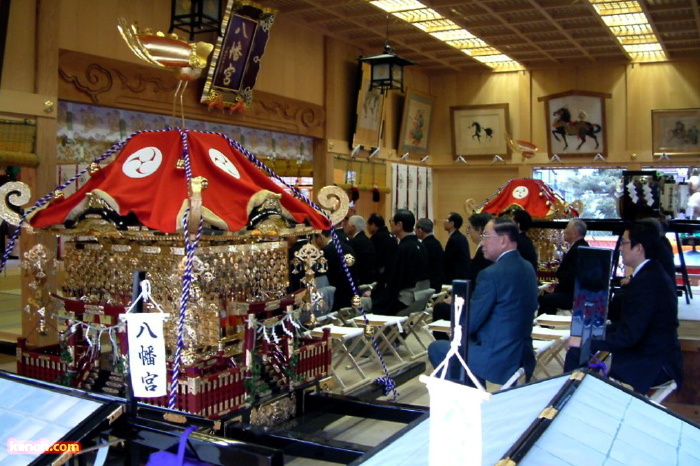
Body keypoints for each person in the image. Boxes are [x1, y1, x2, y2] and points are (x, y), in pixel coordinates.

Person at [564, 221, 684, 395]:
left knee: (579, 351)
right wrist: (590, 332)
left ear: (638, 248)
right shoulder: (650, 273)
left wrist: (586, 340)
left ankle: (571, 402)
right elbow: (627, 325)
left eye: (624, 243)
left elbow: (629, 336)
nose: (621, 248)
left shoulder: (647, 282)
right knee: (583, 348)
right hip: (649, 351)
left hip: (655, 361)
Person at [428, 218, 539, 385]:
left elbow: (471, 322)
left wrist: (459, 319)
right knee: (465, 343)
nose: (482, 242)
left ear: (502, 240)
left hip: (498, 355)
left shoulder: (491, 274)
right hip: (521, 352)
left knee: (438, 348)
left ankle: (470, 400)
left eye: (486, 236)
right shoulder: (527, 267)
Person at [366, 209, 429, 316]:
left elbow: (394, 280)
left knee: (360, 303)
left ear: (399, 225)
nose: (390, 224)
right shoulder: (420, 246)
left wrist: (375, 293)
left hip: (403, 300)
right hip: (418, 299)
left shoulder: (404, 248)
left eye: (392, 221)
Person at [538, 219, 589, 315]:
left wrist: (556, 289)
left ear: (574, 233)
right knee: (546, 294)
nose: (564, 231)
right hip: (570, 290)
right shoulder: (578, 247)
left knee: (546, 299)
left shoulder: (580, 249)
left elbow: (571, 277)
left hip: (574, 294)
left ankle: (544, 326)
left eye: (566, 228)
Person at [312, 230, 357, 311]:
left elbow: (324, 276)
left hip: (336, 293)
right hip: (351, 290)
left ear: (320, 236)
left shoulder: (326, 251)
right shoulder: (347, 247)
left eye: (316, 240)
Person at [344, 215, 376, 286]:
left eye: (347, 225)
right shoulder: (366, 239)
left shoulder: (356, 242)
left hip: (360, 280)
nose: (345, 227)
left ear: (353, 227)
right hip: (370, 278)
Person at [367, 213, 398, 286]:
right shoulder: (391, 236)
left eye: (368, 225)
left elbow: (374, 258)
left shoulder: (376, 238)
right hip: (393, 272)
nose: (367, 227)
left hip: (381, 274)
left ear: (373, 225)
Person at [415, 218, 444, 291]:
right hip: (438, 282)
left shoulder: (423, 245)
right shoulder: (437, 243)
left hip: (428, 285)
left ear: (420, 230)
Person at [442, 212, 470, 285]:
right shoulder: (461, 237)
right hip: (462, 276)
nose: (443, 221)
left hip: (456, 277)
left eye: (446, 219)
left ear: (452, 224)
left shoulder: (454, 239)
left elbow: (448, 260)